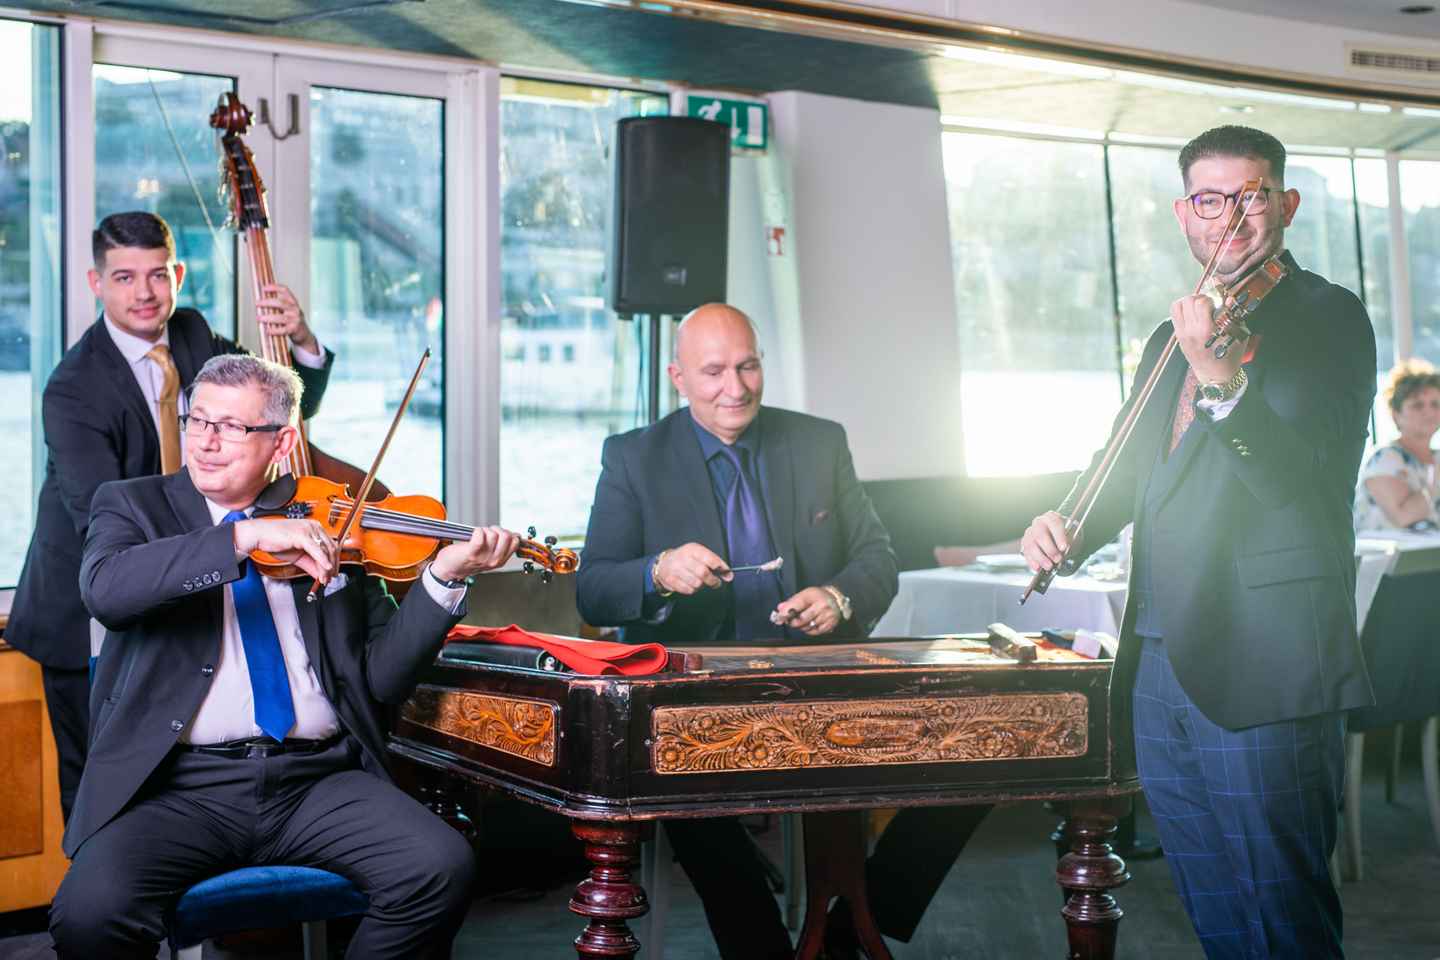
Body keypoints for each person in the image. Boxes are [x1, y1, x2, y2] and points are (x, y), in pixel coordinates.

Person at [1022, 125, 1375, 959]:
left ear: (1286, 205)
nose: (1231, 219)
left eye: (1252, 196)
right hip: (1158, 658)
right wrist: (1066, 524)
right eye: (1211, 200)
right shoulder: (1167, 337)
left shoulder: (1328, 317)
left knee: (1282, 912)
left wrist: (1221, 378)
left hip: (1268, 657)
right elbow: (1124, 468)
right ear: (1185, 213)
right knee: (1212, 907)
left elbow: (1299, 483)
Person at [49, 354, 518, 958]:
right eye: (198, 420)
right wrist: (241, 537)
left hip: (315, 780)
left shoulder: (332, 520)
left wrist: (443, 579)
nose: (206, 441)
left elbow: (381, 681)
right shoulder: (133, 506)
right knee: (89, 915)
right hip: (177, 788)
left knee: (439, 867)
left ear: (283, 441)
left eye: (232, 427)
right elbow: (107, 592)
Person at [577, 303, 987, 960]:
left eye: (748, 367)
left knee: (973, 756)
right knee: (681, 786)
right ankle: (765, 951)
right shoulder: (633, 457)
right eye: (714, 372)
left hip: (820, 678)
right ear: (678, 377)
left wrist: (838, 596)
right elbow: (594, 587)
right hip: (696, 694)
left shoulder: (819, 442)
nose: (735, 388)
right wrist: (658, 570)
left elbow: (878, 557)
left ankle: (849, 928)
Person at [7, 211, 333, 823]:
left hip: (190, 586)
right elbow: (104, 522)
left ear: (178, 275)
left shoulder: (192, 333)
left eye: (158, 274)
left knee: (172, 781)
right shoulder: (72, 388)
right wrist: (241, 537)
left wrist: (300, 340)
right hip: (86, 605)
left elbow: (283, 409)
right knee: (98, 788)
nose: (145, 293)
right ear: (95, 283)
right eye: (124, 277)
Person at [1354, 358, 1440, 531]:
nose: (1429, 412)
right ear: (1396, 414)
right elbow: (1404, 517)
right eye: (1417, 405)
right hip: (1391, 549)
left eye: (1435, 404)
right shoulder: (1384, 459)